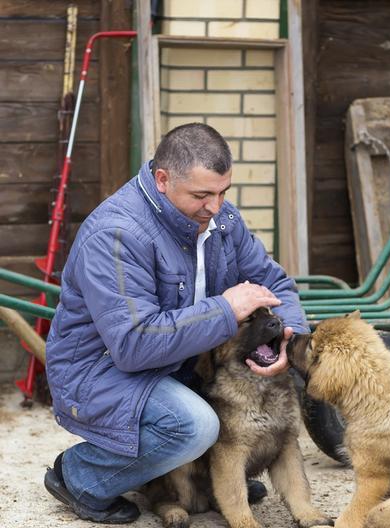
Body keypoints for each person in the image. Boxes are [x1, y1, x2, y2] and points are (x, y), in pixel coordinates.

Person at [44, 123, 309, 523]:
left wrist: (287, 336)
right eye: (202, 195)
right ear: (163, 180)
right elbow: (133, 344)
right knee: (194, 426)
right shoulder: (116, 234)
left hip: (179, 360)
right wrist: (225, 309)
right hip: (101, 371)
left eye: (223, 192)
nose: (216, 207)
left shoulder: (221, 220)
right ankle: (83, 475)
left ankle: (199, 478)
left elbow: (274, 282)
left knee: (236, 399)